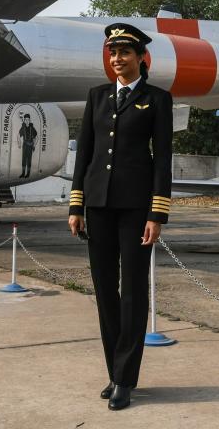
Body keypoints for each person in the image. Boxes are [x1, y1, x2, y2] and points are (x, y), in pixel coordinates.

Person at [68, 22, 173, 411]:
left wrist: (156, 213)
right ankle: (115, 370)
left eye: (125, 52)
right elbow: (85, 155)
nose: (117, 59)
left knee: (132, 293)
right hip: (97, 205)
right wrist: (75, 206)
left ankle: (126, 378)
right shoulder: (96, 97)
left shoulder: (157, 99)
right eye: (112, 53)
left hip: (135, 209)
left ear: (141, 58)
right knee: (104, 291)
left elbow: (163, 160)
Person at [17, 113, 37, 178]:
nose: (27, 121)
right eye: (25, 120)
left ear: (29, 120)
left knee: (29, 160)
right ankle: (23, 173)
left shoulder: (32, 128)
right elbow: (18, 135)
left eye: (28, 119)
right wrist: (19, 144)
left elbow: (36, 137)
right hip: (25, 145)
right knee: (24, 159)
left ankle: (28, 174)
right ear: (24, 120)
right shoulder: (23, 128)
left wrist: (34, 145)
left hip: (30, 146)